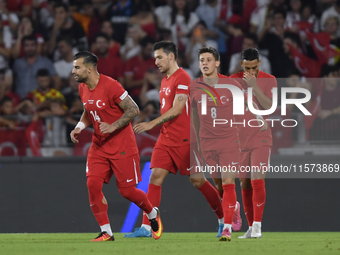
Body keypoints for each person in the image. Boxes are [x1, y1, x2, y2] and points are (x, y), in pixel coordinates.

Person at [125, 41, 225, 238]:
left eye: (159, 57)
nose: (156, 62)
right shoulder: (165, 80)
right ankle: (147, 226)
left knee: (198, 181)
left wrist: (151, 124)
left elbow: (178, 109)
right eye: (155, 57)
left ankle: (224, 220)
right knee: (155, 177)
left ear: (171, 57)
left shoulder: (182, 77)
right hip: (166, 138)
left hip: (187, 139)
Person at [69, 51, 162, 241]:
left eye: (77, 67)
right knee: (92, 184)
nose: (73, 71)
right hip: (99, 145)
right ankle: (106, 232)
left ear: (90, 68)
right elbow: (89, 111)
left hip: (122, 145)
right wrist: (79, 127)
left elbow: (133, 109)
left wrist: (112, 126)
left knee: (127, 192)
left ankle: (152, 213)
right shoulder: (83, 88)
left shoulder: (111, 86)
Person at [191, 47, 259, 241]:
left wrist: (257, 117)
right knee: (220, 187)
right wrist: (197, 139)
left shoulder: (231, 84)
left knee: (229, 184)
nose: (204, 63)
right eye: (201, 60)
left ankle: (226, 228)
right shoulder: (195, 86)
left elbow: (246, 103)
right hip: (207, 142)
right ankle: (234, 207)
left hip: (229, 140)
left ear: (217, 63)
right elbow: (195, 115)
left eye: (208, 60)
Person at [230, 48, 277, 239]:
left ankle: (258, 226)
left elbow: (269, 106)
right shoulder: (233, 80)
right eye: (248, 68)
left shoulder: (269, 79)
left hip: (261, 137)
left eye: (255, 68)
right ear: (241, 65)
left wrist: (254, 85)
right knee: (245, 183)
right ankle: (250, 228)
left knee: (258, 179)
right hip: (240, 138)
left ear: (259, 63)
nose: (251, 72)